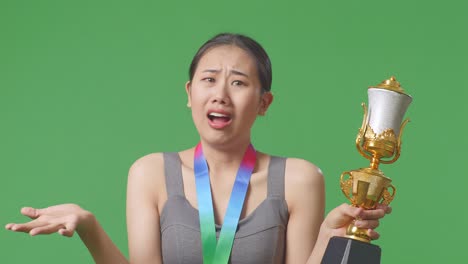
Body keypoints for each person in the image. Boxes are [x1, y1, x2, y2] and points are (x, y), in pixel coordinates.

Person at [5, 33, 391, 264]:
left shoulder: (299, 178)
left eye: (239, 83)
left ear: (264, 102)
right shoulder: (151, 173)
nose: (220, 94)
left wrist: (327, 234)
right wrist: (89, 226)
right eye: (208, 79)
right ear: (190, 94)